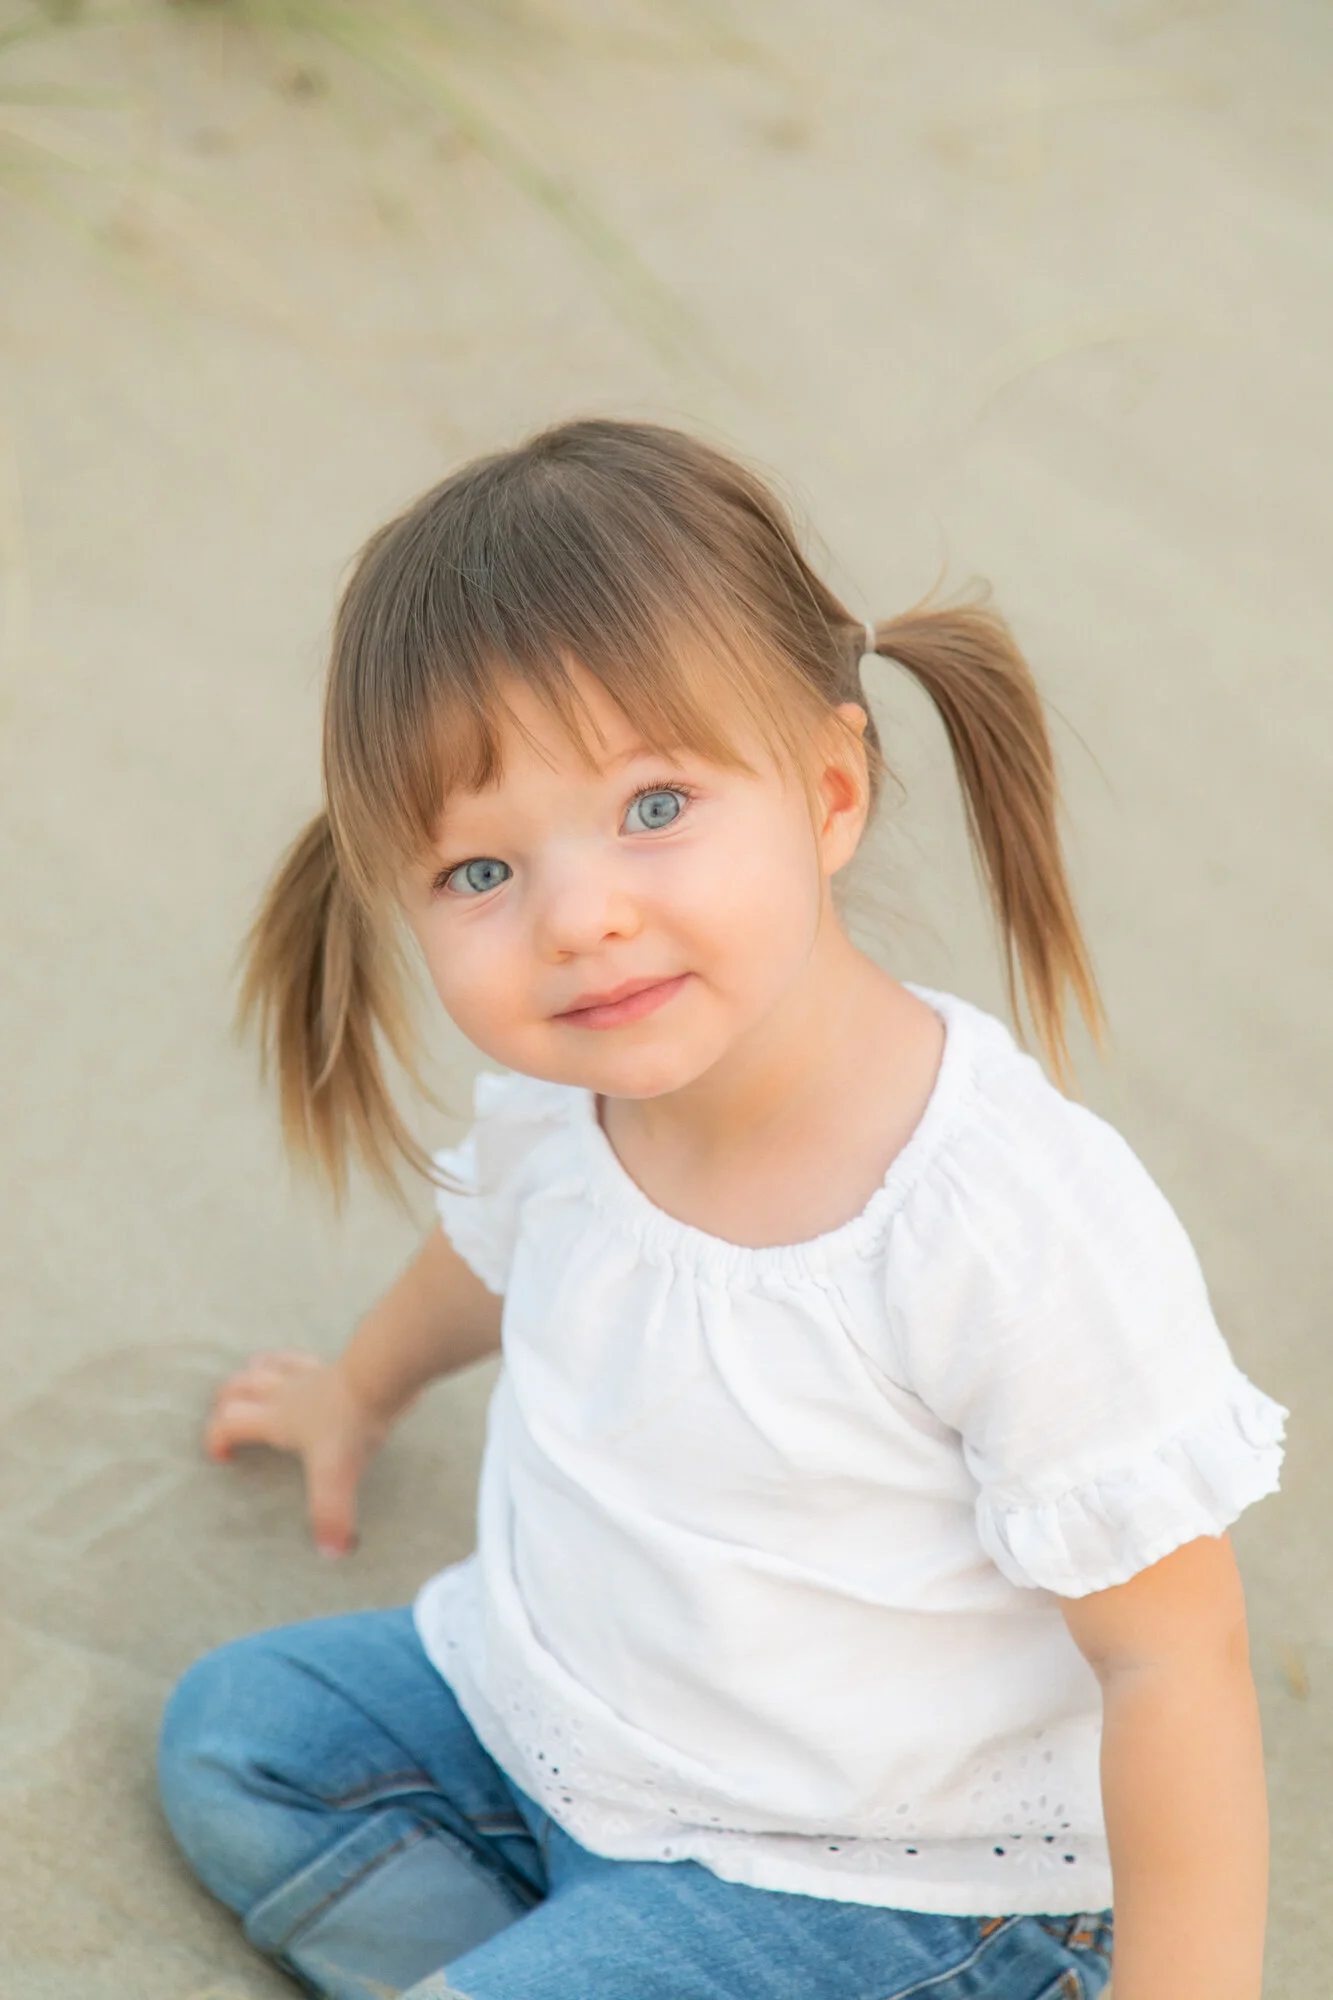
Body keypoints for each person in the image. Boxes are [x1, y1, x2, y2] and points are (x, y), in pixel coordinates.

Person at [157, 419, 1286, 2000]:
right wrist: (357, 1390)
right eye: (479, 873)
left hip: (881, 1883)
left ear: (828, 792)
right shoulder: (563, 1107)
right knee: (241, 1739)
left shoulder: (991, 1219)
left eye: (655, 807)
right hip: (563, 1731)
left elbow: (1175, 1657)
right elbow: (485, 1260)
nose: (578, 916)